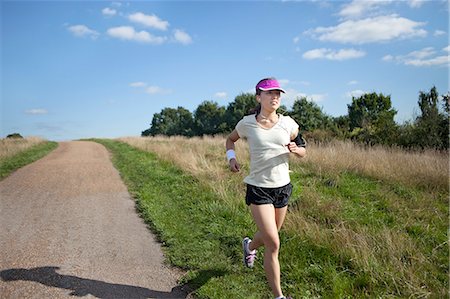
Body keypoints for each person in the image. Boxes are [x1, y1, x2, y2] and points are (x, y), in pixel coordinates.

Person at [225, 77, 306, 299]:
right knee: (274, 244)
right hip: (258, 188)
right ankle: (279, 297)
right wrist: (231, 159)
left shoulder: (288, 123)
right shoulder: (247, 123)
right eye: (270, 93)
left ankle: (249, 246)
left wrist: (296, 150)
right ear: (259, 96)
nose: (275, 97)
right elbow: (230, 140)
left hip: (282, 188)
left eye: (278, 93)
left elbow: (303, 149)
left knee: (270, 236)